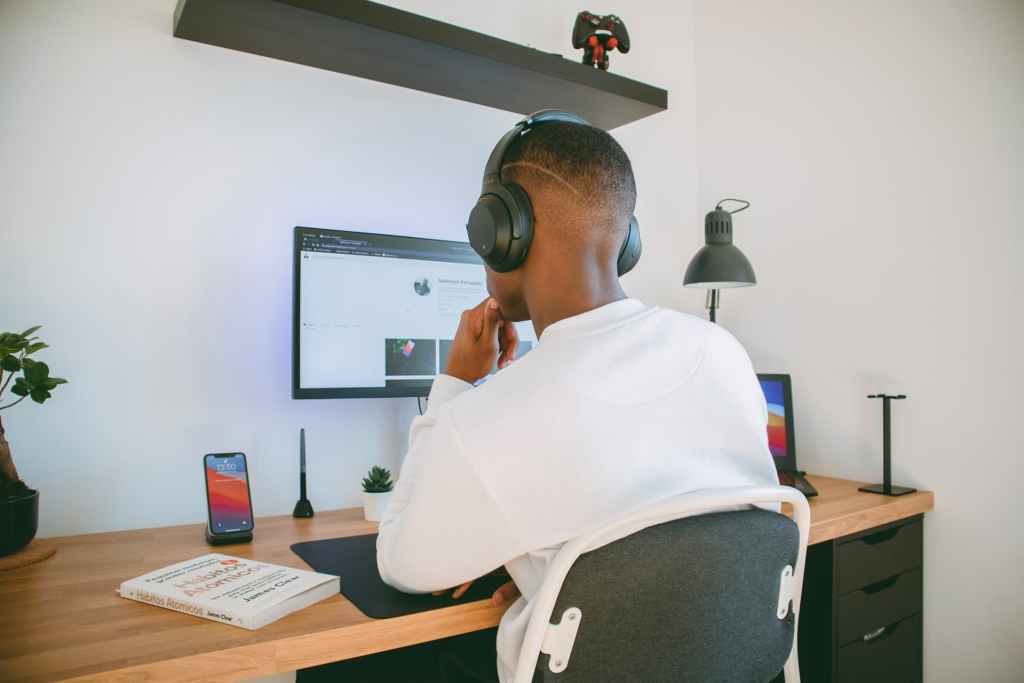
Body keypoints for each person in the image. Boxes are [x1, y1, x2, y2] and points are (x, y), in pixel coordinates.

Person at [303, 119, 778, 682]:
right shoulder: (721, 351)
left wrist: (454, 382)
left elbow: (402, 564)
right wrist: (556, 576)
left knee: (342, 671)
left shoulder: (493, 413)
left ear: (505, 230)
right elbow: (696, 523)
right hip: (723, 665)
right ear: (624, 239)